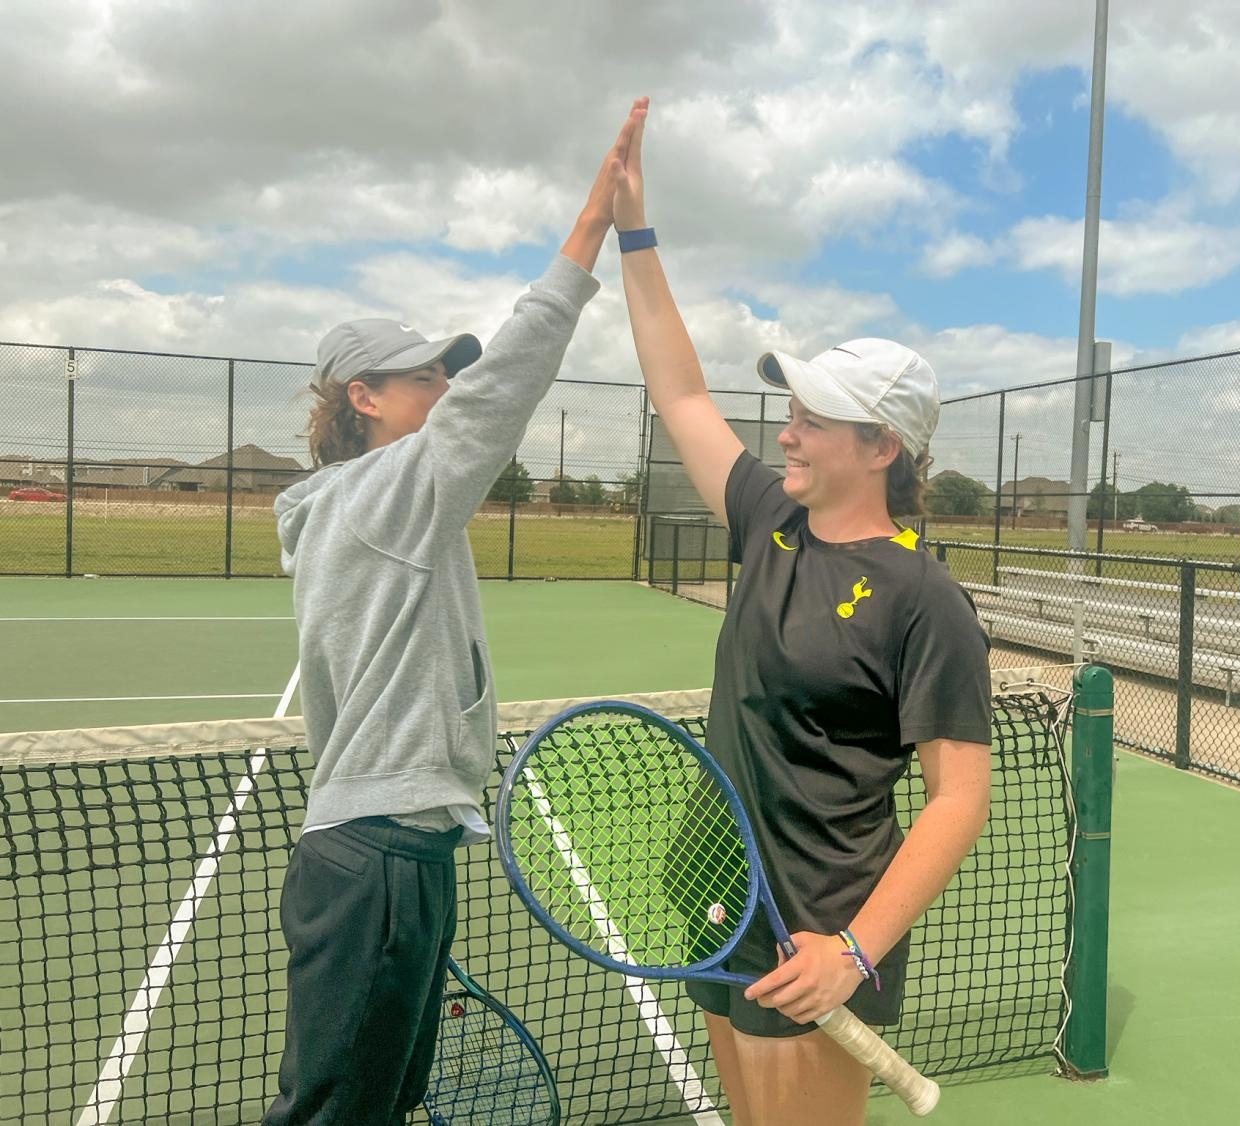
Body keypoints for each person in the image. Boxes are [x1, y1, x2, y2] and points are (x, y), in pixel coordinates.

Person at [611, 97, 994, 1126]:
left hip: (823, 922)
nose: (786, 436)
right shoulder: (765, 518)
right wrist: (634, 234)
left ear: (883, 450)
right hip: (717, 881)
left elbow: (958, 798)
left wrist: (852, 949)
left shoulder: (925, 600)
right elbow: (681, 392)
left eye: (814, 421)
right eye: (790, 414)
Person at [261, 106, 639, 1126]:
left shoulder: (372, 507)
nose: (445, 388)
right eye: (423, 374)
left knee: (377, 1106)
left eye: (442, 372)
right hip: (379, 862)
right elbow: (504, 388)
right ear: (364, 396)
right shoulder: (387, 495)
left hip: (397, 856)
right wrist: (591, 227)